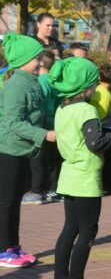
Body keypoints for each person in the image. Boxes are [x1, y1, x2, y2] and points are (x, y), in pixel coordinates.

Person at [49, 57, 111, 279]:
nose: (96, 86)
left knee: (70, 228)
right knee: (87, 231)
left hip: (69, 174)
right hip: (86, 177)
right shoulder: (86, 110)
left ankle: (60, 275)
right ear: (85, 87)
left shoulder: (62, 108)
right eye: (94, 82)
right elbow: (96, 143)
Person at [0, 33, 56, 268]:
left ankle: (12, 245)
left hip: (23, 150)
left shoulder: (31, 82)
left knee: (14, 200)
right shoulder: (15, 85)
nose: (40, 62)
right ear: (23, 60)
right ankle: (4, 249)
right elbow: (13, 123)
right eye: (36, 58)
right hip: (9, 150)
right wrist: (45, 135)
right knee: (7, 201)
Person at [22, 51, 62, 205]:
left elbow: (41, 103)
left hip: (43, 121)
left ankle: (38, 191)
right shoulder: (52, 80)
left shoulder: (41, 81)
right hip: (53, 120)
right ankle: (52, 189)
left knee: (38, 158)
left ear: (42, 63)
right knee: (51, 159)